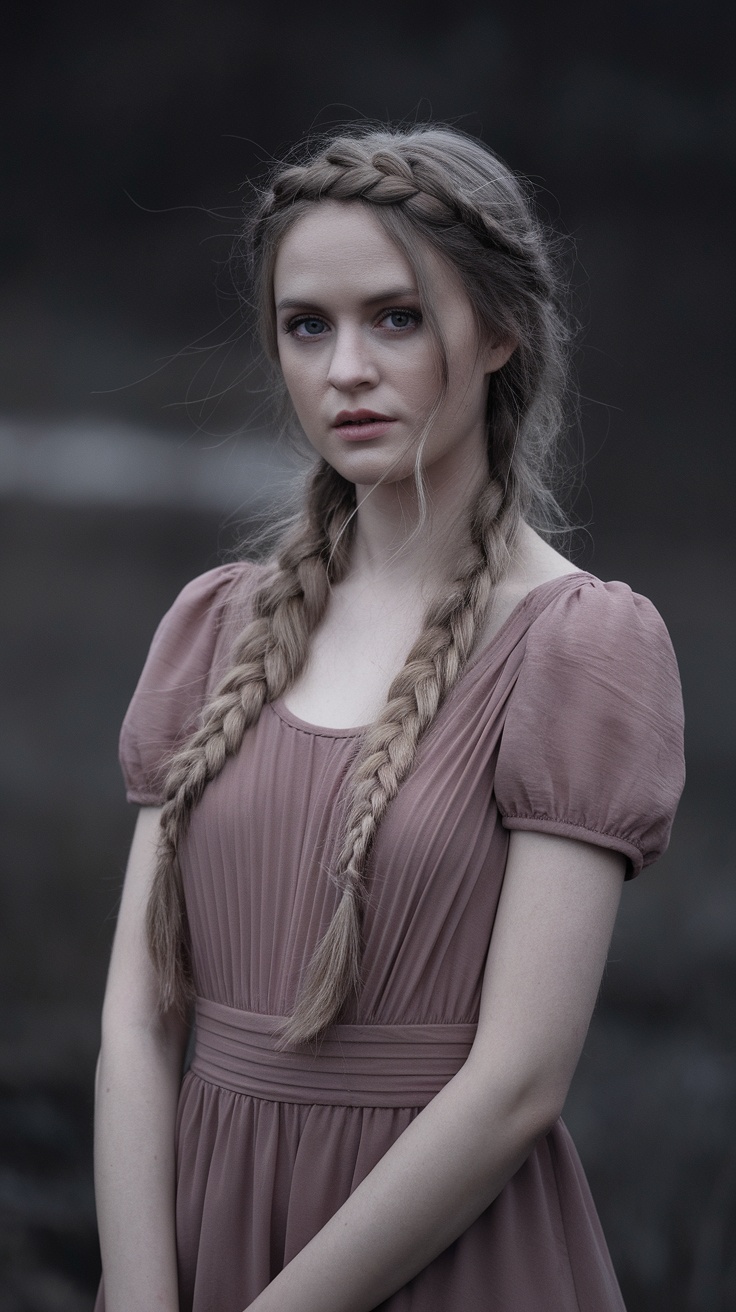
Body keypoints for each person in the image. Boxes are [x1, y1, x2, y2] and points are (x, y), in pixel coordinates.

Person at [93, 124, 685, 1311]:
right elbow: (136, 1026)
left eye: (396, 318)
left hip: (448, 1261)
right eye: (307, 325)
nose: (345, 368)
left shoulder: (581, 645)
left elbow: (519, 1081)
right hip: (197, 1243)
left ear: (500, 330)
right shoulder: (215, 628)